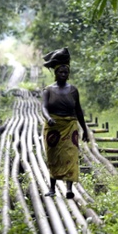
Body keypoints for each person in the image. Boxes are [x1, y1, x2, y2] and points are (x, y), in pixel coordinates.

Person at [41, 48, 89, 199]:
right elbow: (43, 108)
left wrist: (85, 130)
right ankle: (53, 188)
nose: (63, 74)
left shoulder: (73, 90)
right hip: (53, 127)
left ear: (68, 74)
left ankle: (69, 188)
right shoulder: (48, 90)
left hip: (70, 126)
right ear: (55, 73)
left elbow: (79, 111)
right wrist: (48, 118)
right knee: (53, 156)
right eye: (61, 72)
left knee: (71, 154)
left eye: (66, 72)